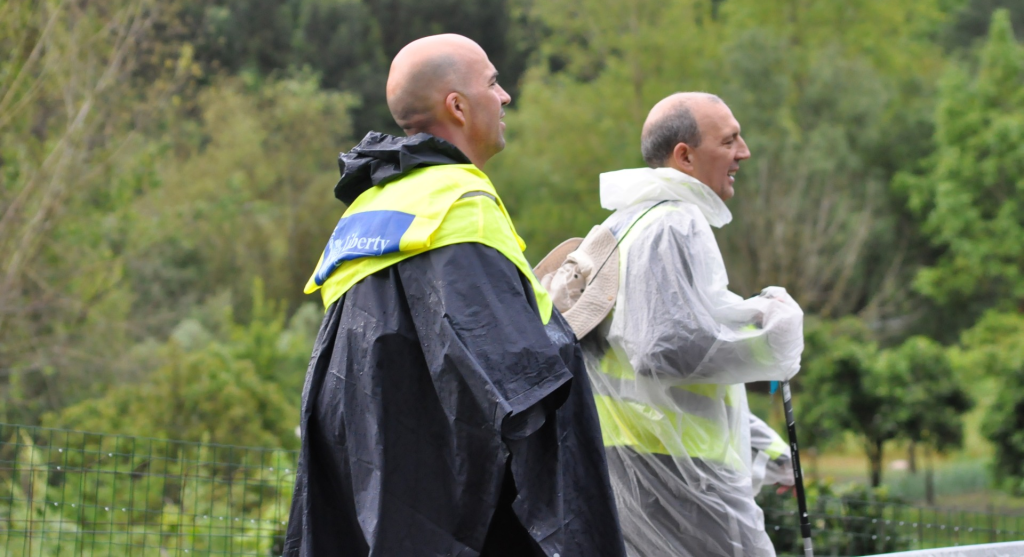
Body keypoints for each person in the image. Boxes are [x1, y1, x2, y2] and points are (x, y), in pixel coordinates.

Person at [283, 34, 626, 557]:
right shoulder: (461, 201)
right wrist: (559, 334)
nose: (505, 95)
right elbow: (517, 379)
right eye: (492, 82)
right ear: (457, 106)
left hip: (376, 503)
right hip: (459, 514)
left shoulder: (366, 210)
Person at [541, 92, 804, 556]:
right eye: (730, 141)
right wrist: (771, 339)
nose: (744, 152)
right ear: (684, 156)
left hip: (635, 460)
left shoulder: (627, 222)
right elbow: (668, 348)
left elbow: (655, 346)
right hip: (682, 467)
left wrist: (767, 445)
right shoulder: (674, 223)